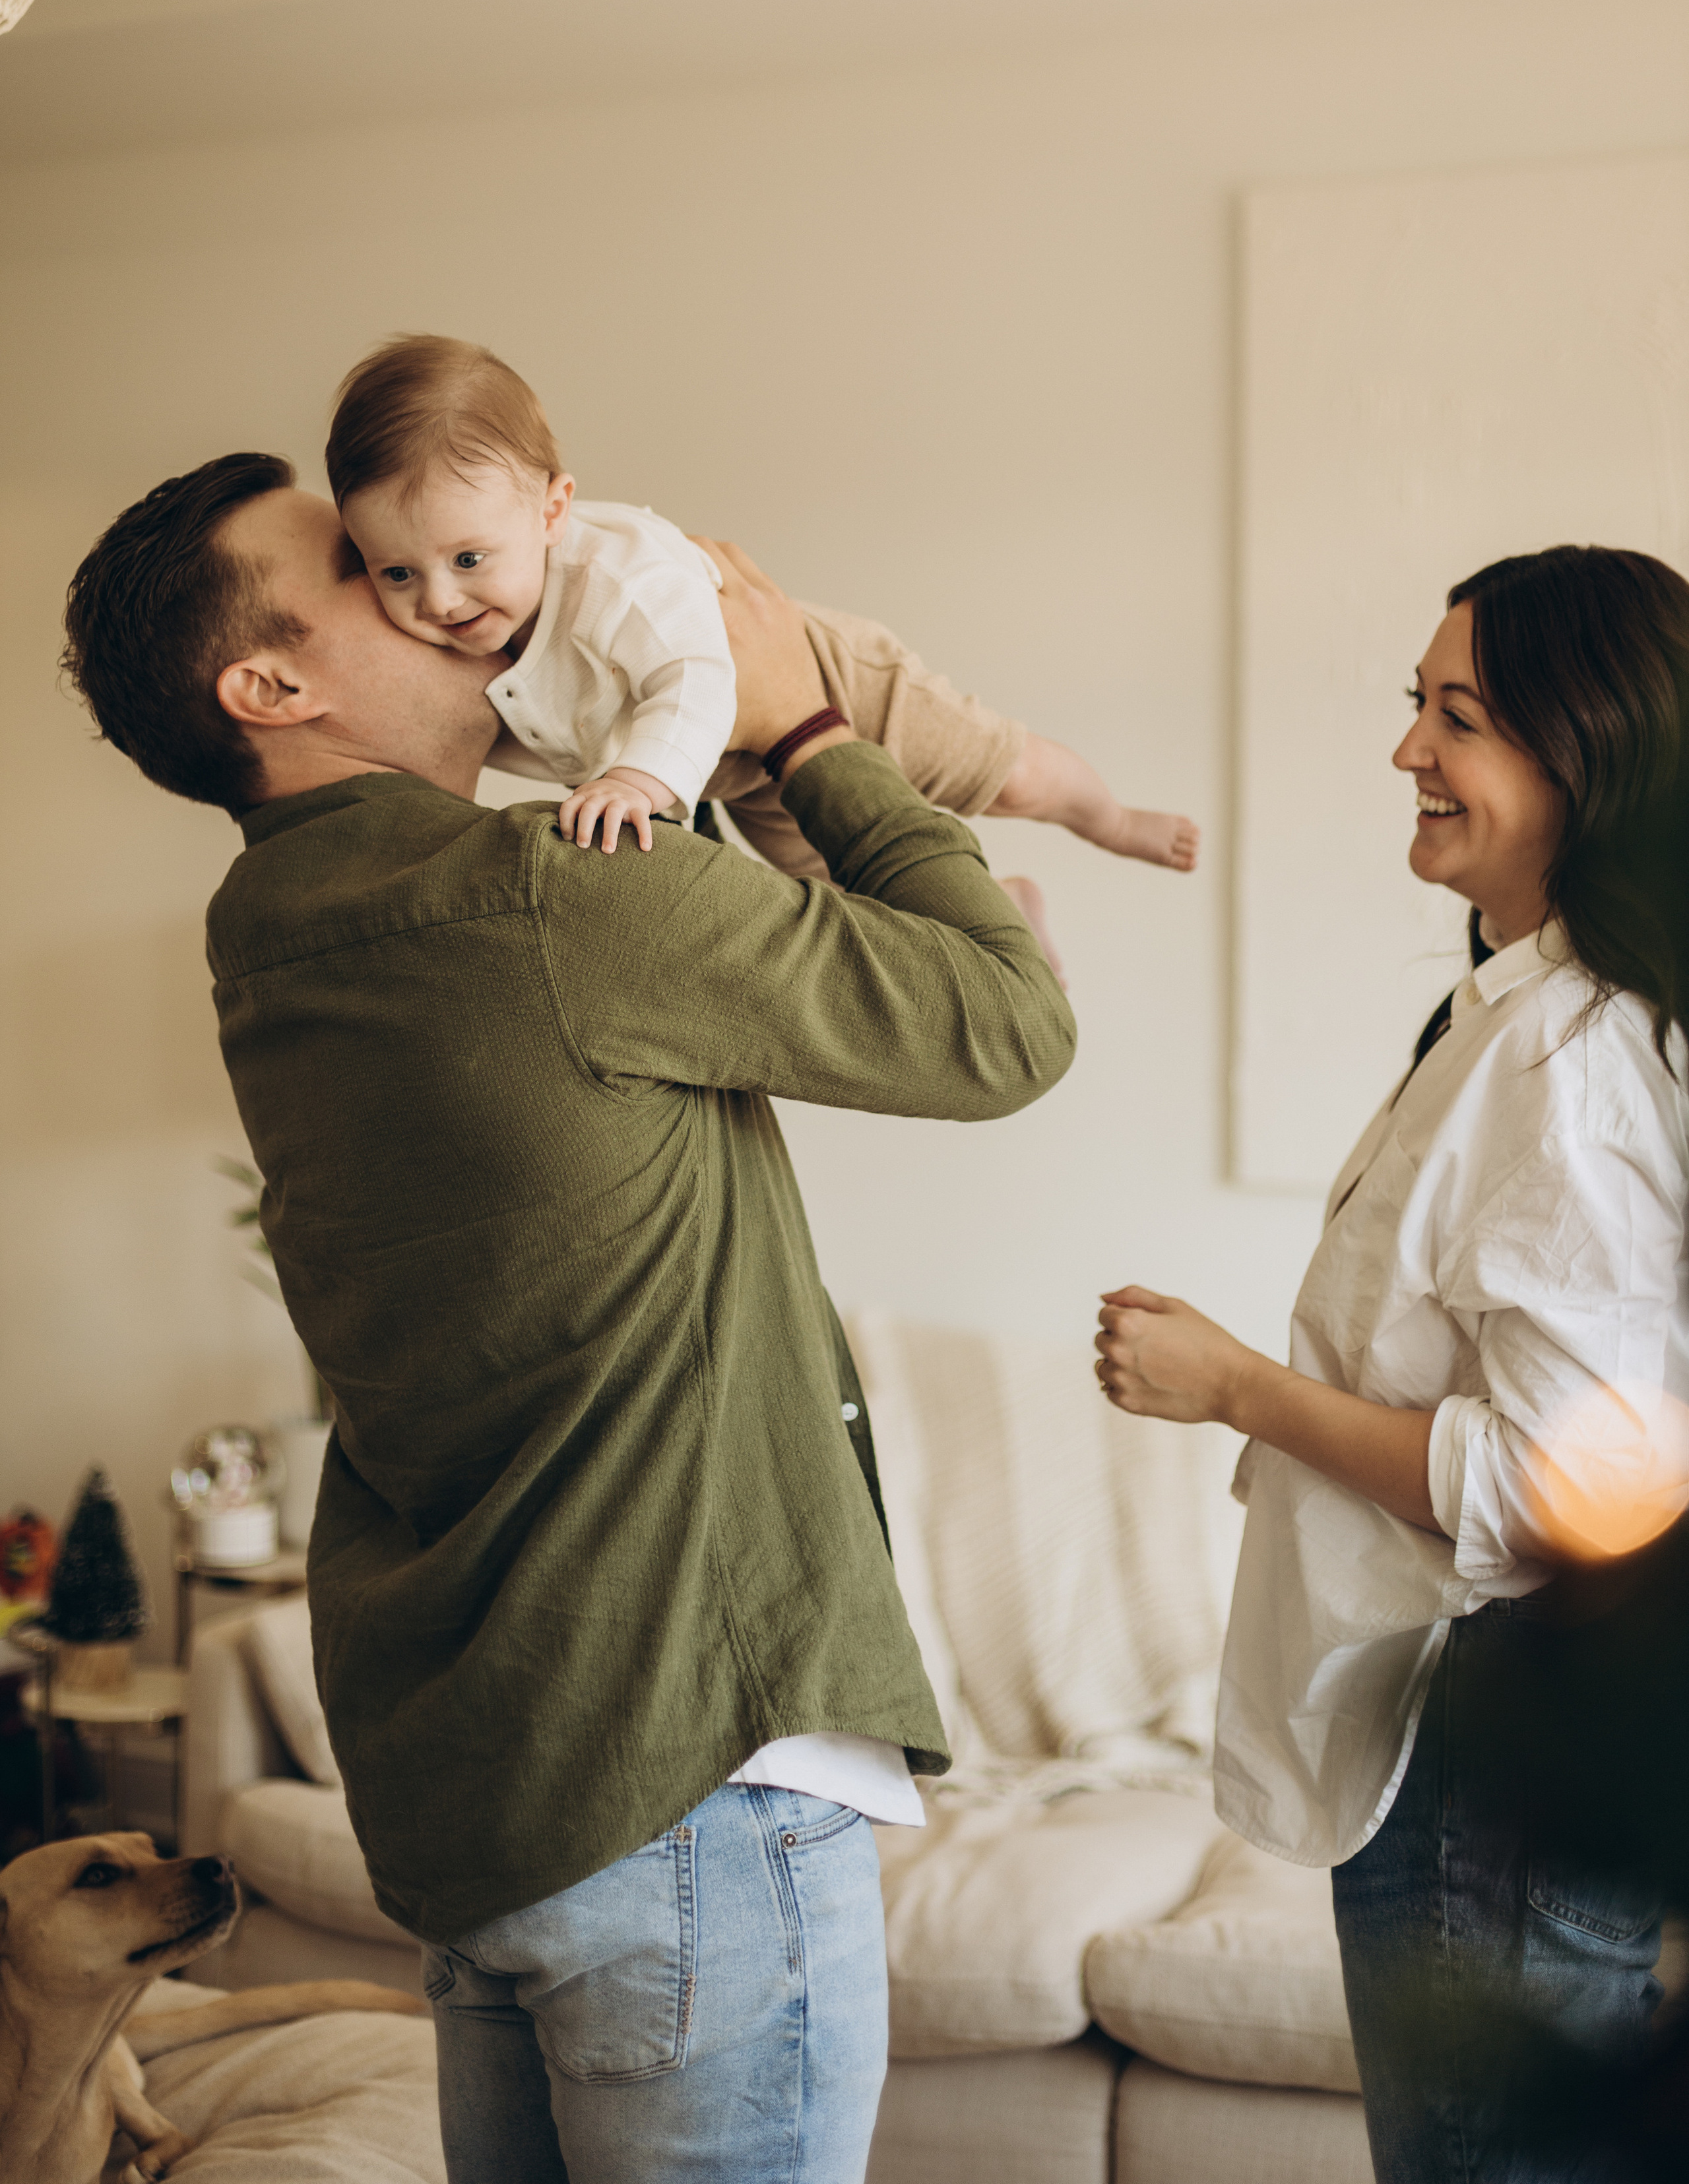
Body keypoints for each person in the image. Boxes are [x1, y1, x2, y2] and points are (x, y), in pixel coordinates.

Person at [59, 452, 1076, 2184]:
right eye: (364, 575)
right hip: (694, 1782)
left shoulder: (268, 933)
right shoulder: (543, 897)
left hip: (495, 1794)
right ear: (273, 685)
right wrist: (809, 727)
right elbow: (1004, 1026)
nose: (432, 585)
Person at [1091, 546, 1689, 2183]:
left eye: (1458, 717)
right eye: (1414, 708)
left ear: (1587, 756)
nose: (1406, 753)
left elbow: (1564, 1485)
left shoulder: (1575, 1068)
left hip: (1489, 1747)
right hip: (1477, 1747)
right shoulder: (1508, 1020)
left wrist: (1234, 1390)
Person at [324, 334, 1199, 978]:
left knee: (1006, 775)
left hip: (819, 678)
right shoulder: (459, 636)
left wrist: (636, 783)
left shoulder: (618, 577)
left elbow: (696, 682)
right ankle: (1007, 903)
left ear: (553, 513)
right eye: (397, 571)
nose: (437, 601)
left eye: (468, 560)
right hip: (736, 772)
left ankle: (1105, 816)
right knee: (857, 893)